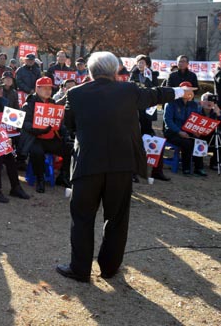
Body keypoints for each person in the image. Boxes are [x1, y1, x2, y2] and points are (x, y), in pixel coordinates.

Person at [57, 51, 183, 282]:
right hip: (121, 164)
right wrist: (181, 90)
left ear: (91, 71)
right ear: (116, 71)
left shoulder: (75, 93)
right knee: (117, 218)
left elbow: (69, 124)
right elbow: (155, 95)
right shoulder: (129, 90)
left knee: (82, 217)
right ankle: (110, 268)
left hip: (88, 163)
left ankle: (80, 269)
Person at [19, 77, 72, 193]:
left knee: (70, 148)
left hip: (51, 138)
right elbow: (23, 123)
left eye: (50, 88)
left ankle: (63, 176)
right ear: (37, 89)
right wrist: (37, 129)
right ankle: (40, 179)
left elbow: (59, 122)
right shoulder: (28, 104)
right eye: (45, 88)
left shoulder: (53, 103)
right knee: (37, 152)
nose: (48, 91)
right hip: (35, 138)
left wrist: (65, 134)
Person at [129, 54, 169, 181]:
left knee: (153, 139)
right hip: (135, 111)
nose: (140, 64)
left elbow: (155, 91)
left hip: (148, 110)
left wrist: (148, 79)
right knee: (135, 140)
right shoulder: (132, 74)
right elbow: (131, 89)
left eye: (143, 62)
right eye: (138, 62)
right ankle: (133, 172)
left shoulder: (152, 75)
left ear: (147, 64)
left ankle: (157, 171)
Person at [163, 81, 206, 176]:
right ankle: (186, 168)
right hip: (172, 132)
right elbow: (168, 121)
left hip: (188, 130)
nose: (189, 93)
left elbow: (195, 120)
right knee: (187, 143)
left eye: (191, 91)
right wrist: (179, 131)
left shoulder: (194, 105)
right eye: (186, 91)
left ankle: (199, 167)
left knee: (199, 141)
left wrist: (196, 130)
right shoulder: (171, 103)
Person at [200, 92, 221, 170]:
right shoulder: (197, 111)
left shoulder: (215, 112)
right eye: (206, 99)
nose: (209, 102)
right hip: (200, 136)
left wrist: (219, 114)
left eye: (211, 100)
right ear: (201, 102)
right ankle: (199, 165)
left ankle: (214, 163)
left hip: (212, 137)